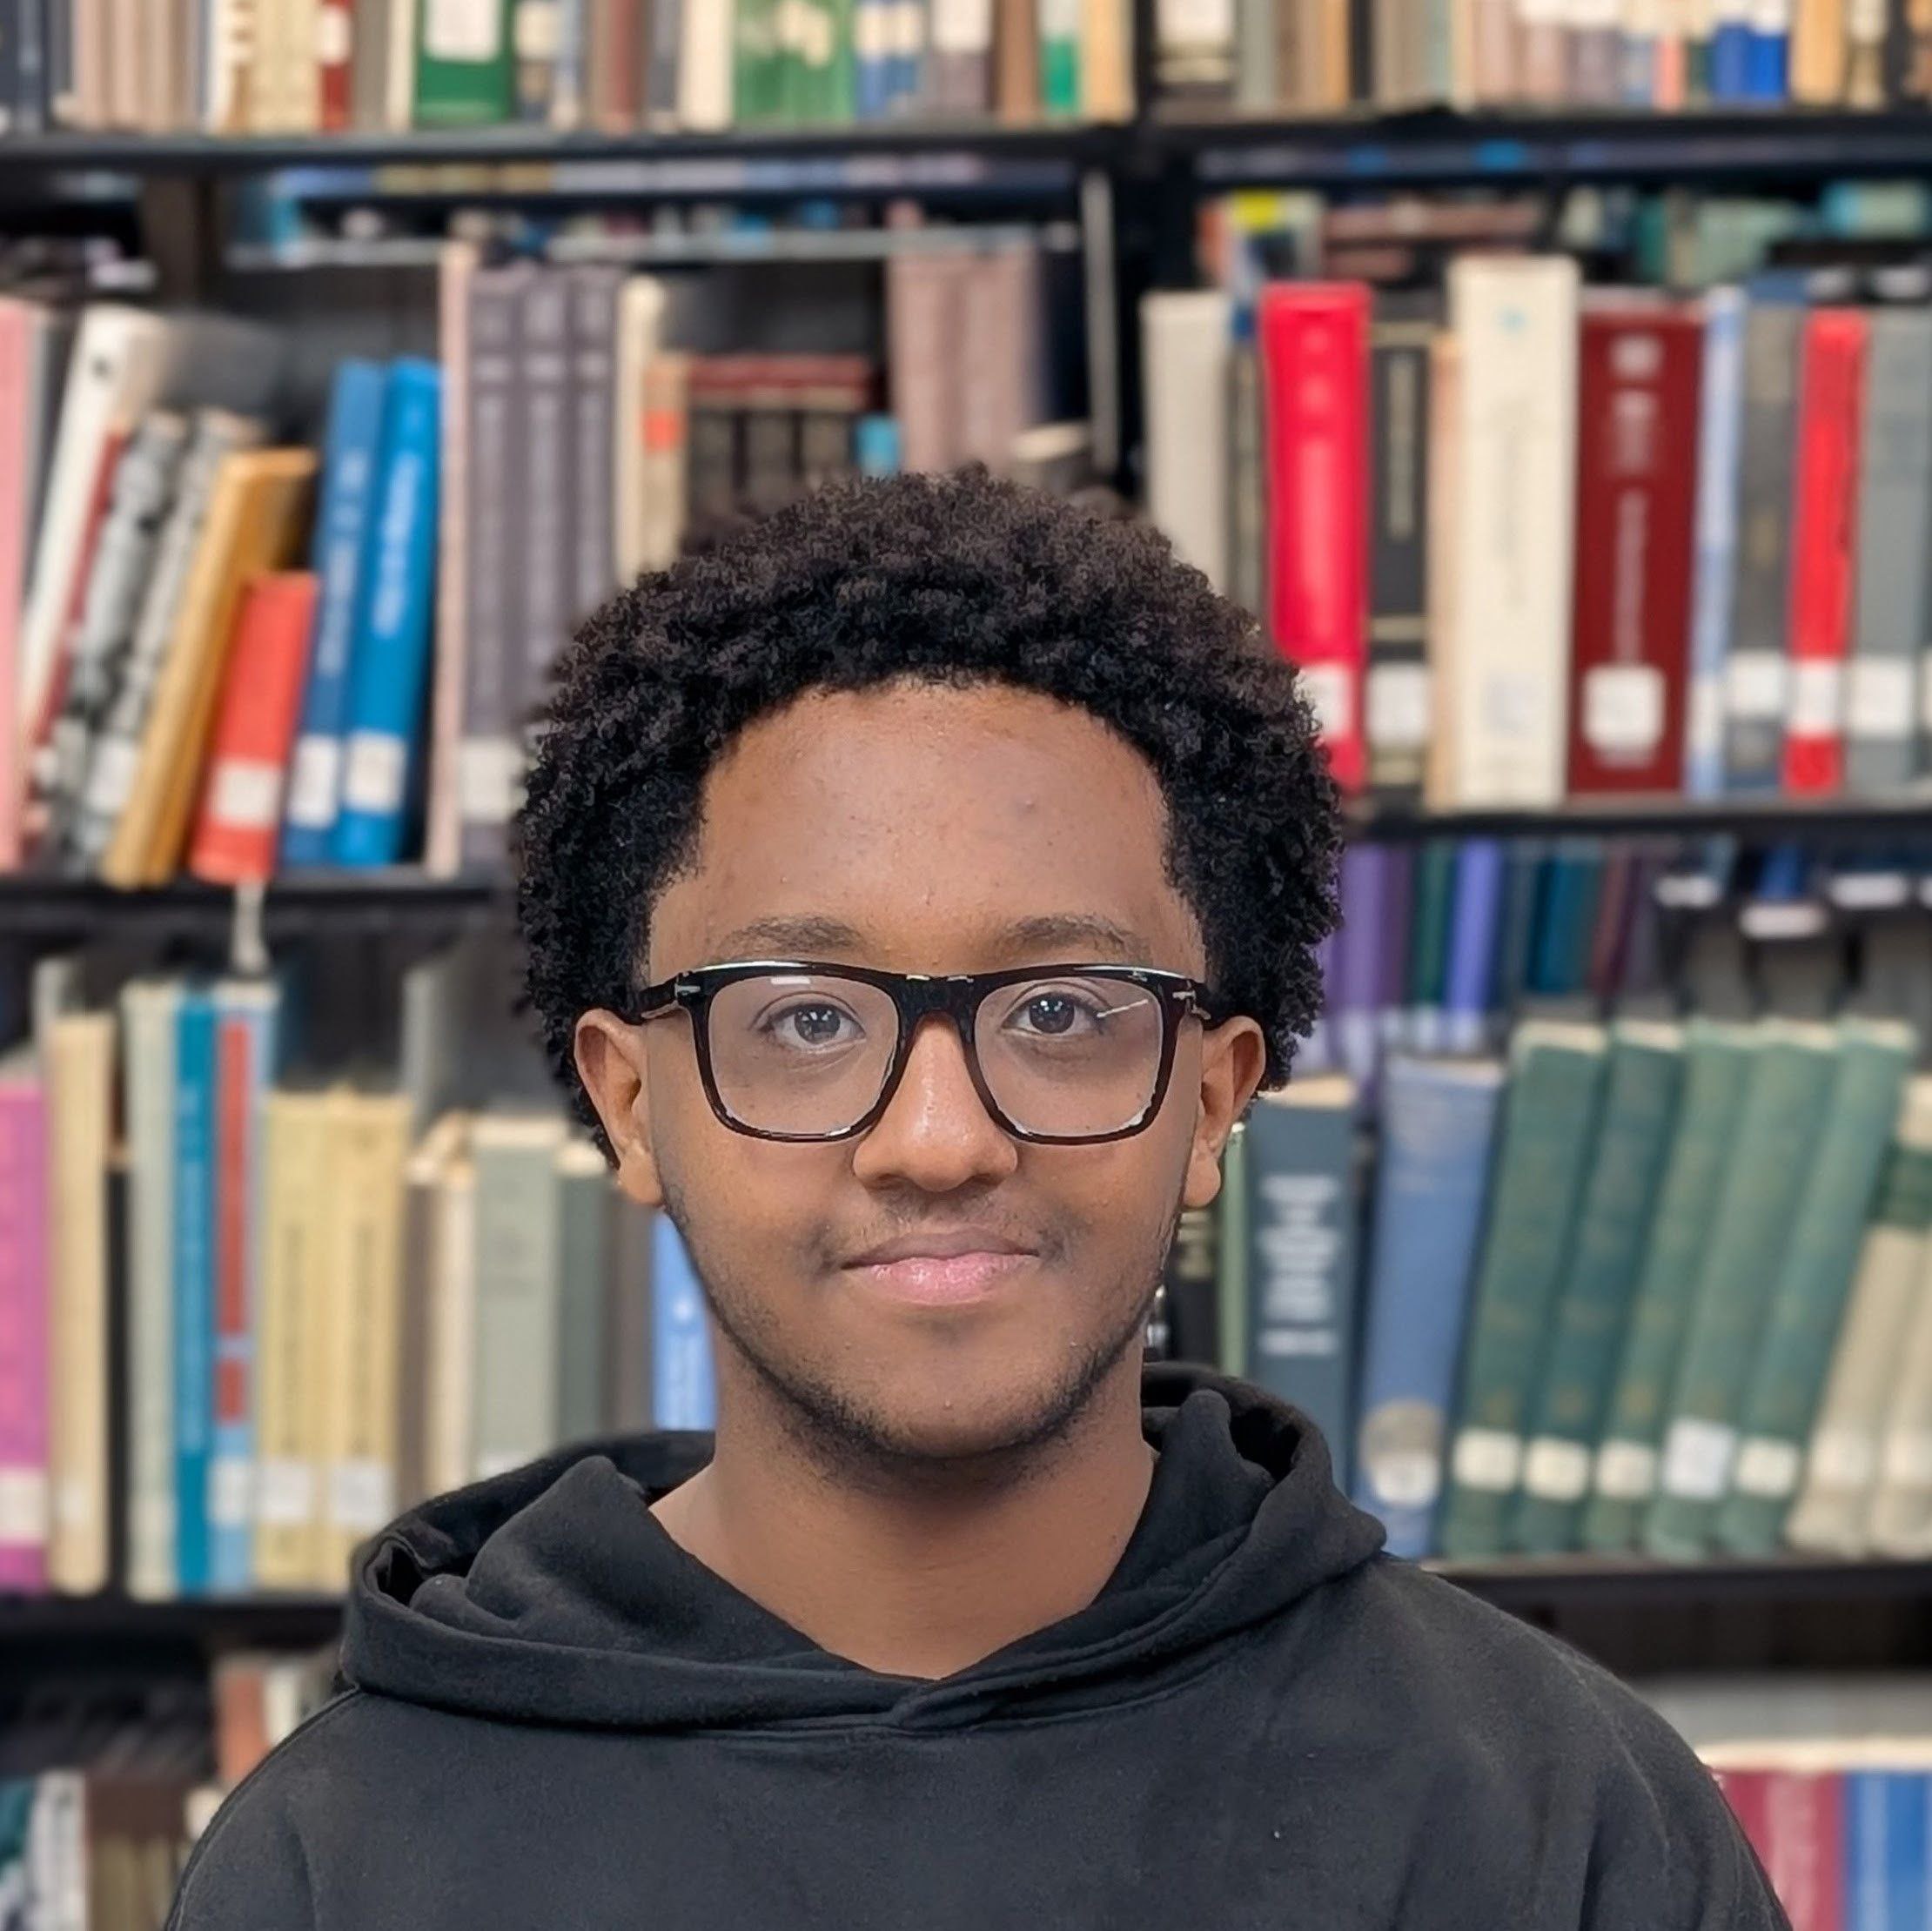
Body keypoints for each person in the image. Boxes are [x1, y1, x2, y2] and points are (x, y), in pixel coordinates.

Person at [171, 468, 1788, 1930]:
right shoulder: (339, 1863)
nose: (937, 1140)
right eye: (806, 1018)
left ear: (1217, 1096)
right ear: (629, 1101)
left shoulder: (1562, 1821)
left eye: (1063, 1013)